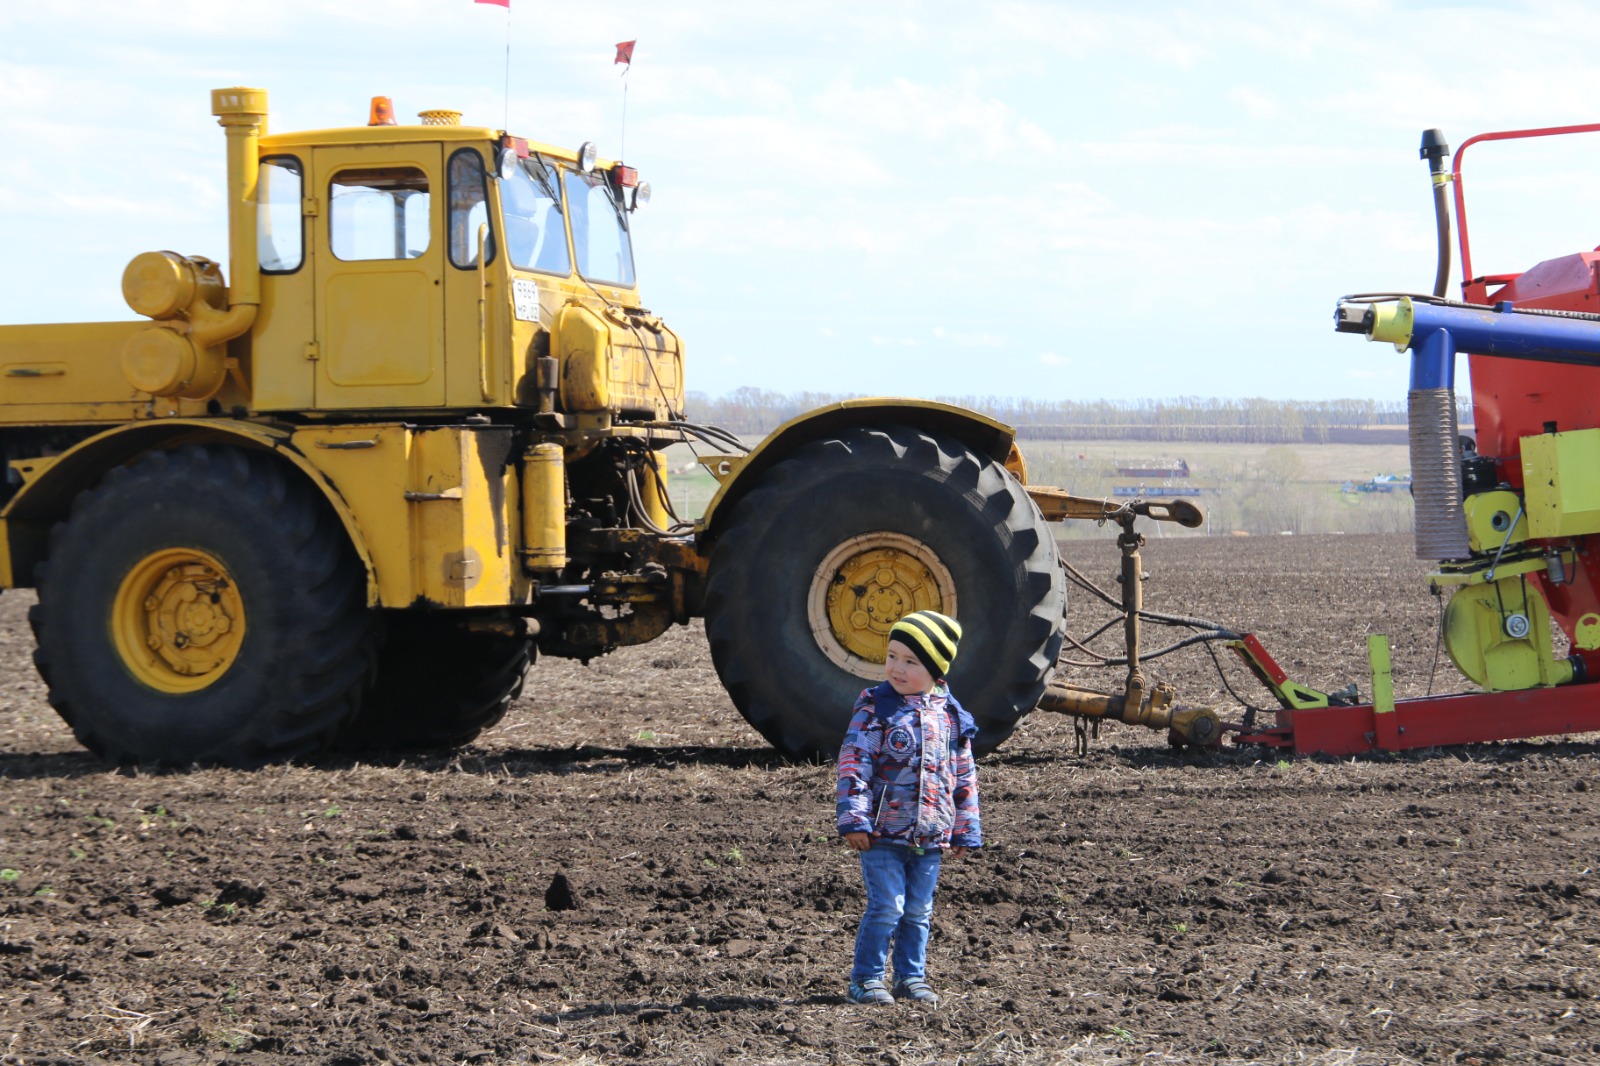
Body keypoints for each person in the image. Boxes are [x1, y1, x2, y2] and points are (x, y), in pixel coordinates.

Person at [835, 609, 980, 1007]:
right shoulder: (875, 708)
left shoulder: (951, 715)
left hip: (931, 834)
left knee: (917, 910)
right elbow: (854, 764)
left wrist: (965, 827)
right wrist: (853, 817)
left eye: (911, 661)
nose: (897, 668)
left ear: (936, 670)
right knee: (887, 907)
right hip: (881, 832)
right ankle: (865, 980)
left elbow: (964, 775)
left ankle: (910, 978)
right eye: (892, 657)